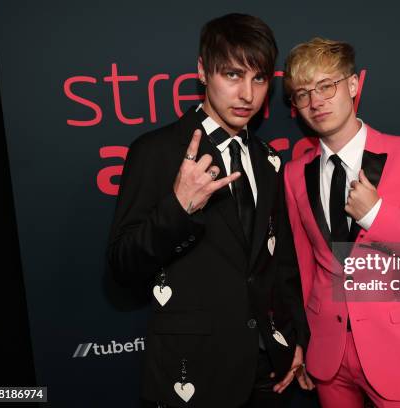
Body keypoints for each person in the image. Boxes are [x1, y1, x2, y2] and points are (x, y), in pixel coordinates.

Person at [107, 14, 311, 408]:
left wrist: (293, 337)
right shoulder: (156, 151)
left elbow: (279, 263)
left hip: (269, 373)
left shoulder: (268, 159)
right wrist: (178, 207)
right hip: (193, 373)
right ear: (203, 71)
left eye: (259, 79)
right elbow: (121, 265)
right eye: (233, 75)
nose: (247, 95)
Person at [283, 37, 400, 408]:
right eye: (302, 93)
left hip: (395, 352)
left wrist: (376, 216)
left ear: (353, 85)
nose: (315, 101)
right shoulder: (293, 174)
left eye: (326, 86)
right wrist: (303, 337)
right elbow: (304, 268)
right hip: (327, 356)